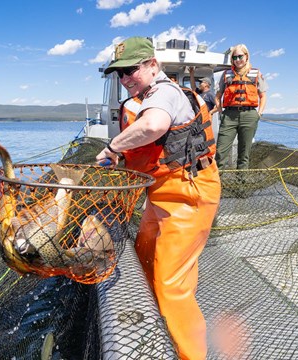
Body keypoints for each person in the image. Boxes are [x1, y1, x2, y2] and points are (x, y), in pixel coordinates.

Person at [95, 36, 221, 360]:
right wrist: (122, 160)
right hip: (163, 194)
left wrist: (112, 148)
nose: (124, 80)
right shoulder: (147, 95)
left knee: (170, 283)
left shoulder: (164, 93)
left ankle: (190, 356)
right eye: (118, 74)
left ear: (153, 66)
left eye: (130, 70)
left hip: (189, 193)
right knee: (144, 257)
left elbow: (153, 126)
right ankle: (161, 334)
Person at [214, 44, 268, 170]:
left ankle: (241, 186)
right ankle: (216, 186)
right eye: (235, 57)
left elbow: (263, 96)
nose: (238, 60)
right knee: (220, 152)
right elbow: (218, 96)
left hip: (249, 116)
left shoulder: (256, 74)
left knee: (244, 155)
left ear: (246, 56)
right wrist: (221, 111)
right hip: (229, 115)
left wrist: (258, 114)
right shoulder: (226, 75)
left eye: (240, 56)